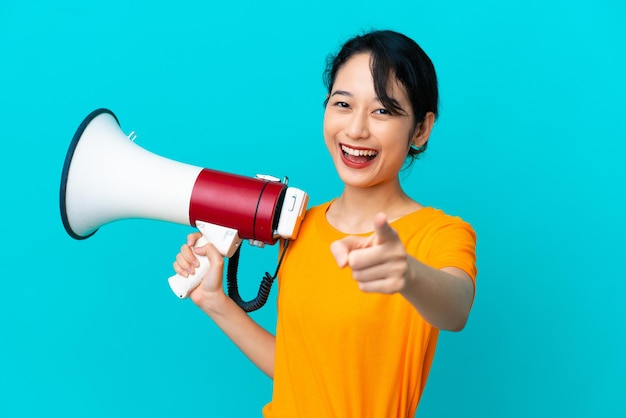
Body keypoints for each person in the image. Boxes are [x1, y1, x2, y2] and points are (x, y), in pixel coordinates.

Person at [172, 29, 477, 417]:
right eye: (343, 104)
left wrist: (408, 274)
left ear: (421, 129)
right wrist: (215, 301)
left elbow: (457, 308)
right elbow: (302, 373)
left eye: (382, 110)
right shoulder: (299, 228)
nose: (356, 129)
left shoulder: (439, 234)